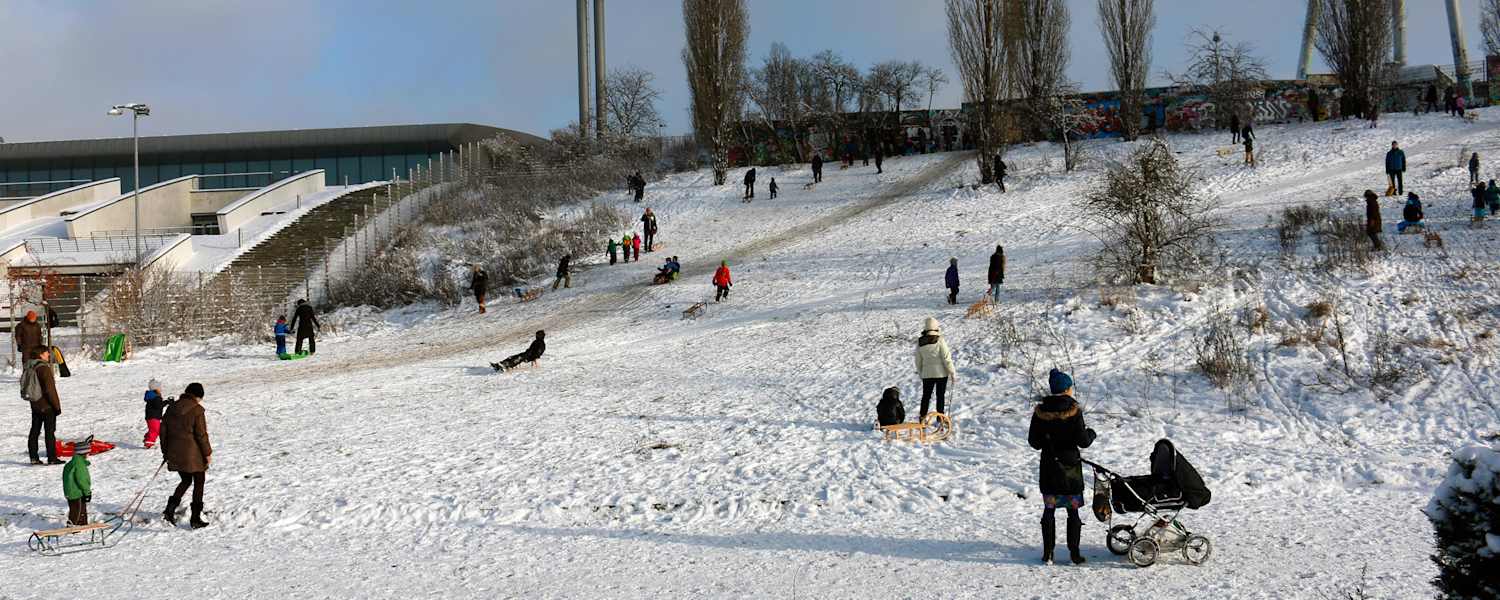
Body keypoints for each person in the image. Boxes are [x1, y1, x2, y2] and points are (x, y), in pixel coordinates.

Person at [1028, 368, 1097, 565]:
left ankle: (1048, 553)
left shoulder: (1040, 412)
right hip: (1070, 470)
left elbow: (1034, 442)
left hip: (1050, 468)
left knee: (1049, 510)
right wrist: (1091, 433)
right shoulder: (1074, 411)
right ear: (1066, 389)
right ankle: (1074, 554)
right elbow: (1083, 441)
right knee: (1072, 511)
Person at [161, 382, 212, 529]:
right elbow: (201, 435)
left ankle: (169, 510)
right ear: (197, 396)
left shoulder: (171, 408)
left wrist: (166, 452)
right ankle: (195, 518)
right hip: (193, 455)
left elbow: (163, 432)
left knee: (186, 480)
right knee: (199, 481)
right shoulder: (197, 410)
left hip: (175, 452)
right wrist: (207, 453)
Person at [24, 346, 62, 465]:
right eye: (46, 353)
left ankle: (33, 457)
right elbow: (50, 390)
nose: (48, 355)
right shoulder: (44, 368)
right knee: (49, 432)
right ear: (40, 354)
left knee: (34, 431)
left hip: (35, 404)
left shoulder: (29, 366)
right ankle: (52, 458)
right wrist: (57, 406)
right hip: (46, 405)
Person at [914, 317, 956, 422]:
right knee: (940, 396)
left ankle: (922, 417)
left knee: (926, 396)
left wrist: (921, 373)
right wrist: (952, 372)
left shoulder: (920, 342)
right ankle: (940, 418)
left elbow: (918, 360)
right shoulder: (940, 340)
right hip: (941, 374)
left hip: (927, 374)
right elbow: (946, 358)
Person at [63, 436, 93, 526]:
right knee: (76, 511)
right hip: (75, 492)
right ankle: (72, 526)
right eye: (88, 453)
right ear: (83, 453)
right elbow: (82, 480)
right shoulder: (79, 464)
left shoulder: (73, 462)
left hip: (71, 491)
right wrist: (87, 493)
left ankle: (82, 524)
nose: (89, 455)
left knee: (81, 508)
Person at [143, 378, 167, 449]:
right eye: (159, 388)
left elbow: (158, 405)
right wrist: (167, 402)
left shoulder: (152, 396)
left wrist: (166, 402)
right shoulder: (156, 397)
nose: (160, 389)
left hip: (151, 416)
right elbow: (158, 406)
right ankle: (149, 443)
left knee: (153, 429)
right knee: (155, 430)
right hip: (153, 417)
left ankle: (147, 438)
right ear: (156, 388)